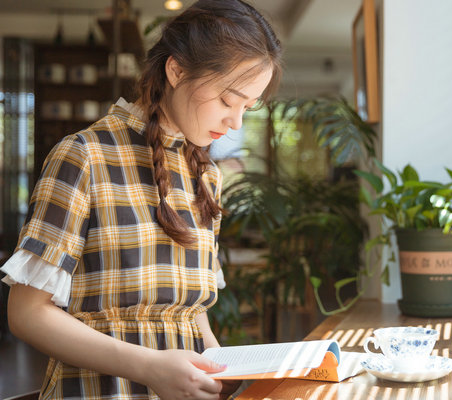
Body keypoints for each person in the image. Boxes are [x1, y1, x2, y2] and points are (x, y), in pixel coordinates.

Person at [0, 0, 282, 398]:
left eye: (247, 108)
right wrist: (149, 367)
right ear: (177, 70)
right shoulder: (85, 156)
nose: (236, 122)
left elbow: (189, 311)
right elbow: (26, 314)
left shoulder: (206, 176)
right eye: (227, 100)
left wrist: (217, 365)